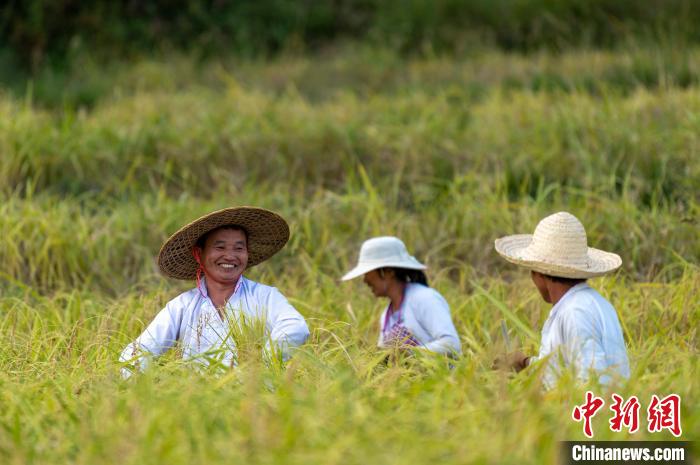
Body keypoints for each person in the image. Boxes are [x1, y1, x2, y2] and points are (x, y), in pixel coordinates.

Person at [120, 206, 309, 377]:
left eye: (238, 248)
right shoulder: (182, 306)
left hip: (256, 401)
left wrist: (261, 365)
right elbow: (138, 351)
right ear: (199, 254)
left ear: (246, 254)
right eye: (220, 247)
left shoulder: (265, 297)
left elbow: (296, 327)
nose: (230, 255)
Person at [494, 211, 630, 388]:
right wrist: (525, 363)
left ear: (538, 275)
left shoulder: (575, 312)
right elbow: (562, 368)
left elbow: (592, 380)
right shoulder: (590, 303)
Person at [342, 236, 461, 356]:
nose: (365, 280)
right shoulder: (386, 316)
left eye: (367, 273)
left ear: (388, 271)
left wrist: (408, 353)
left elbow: (452, 344)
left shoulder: (424, 298)